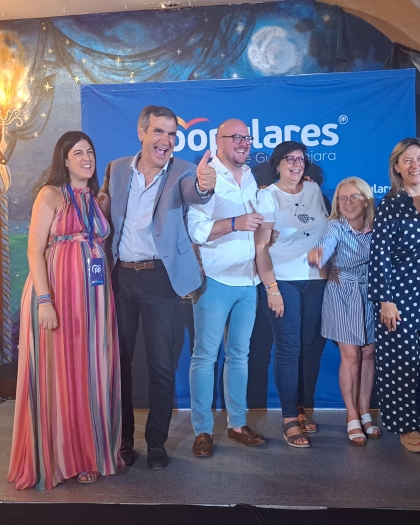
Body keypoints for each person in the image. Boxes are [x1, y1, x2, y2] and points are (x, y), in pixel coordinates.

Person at [100, 105, 216, 470]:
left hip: (161, 279)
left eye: (172, 134)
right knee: (120, 365)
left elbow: (195, 192)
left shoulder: (183, 171)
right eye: (159, 132)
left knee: (162, 366)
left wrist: (205, 184)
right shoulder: (116, 168)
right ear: (142, 133)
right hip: (120, 279)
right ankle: (123, 441)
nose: (166, 140)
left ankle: (156, 444)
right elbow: (100, 211)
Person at [8, 131, 122, 489]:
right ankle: (58, 458)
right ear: (65, 160)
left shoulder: (97, 199)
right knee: (59, 375)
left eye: (90, 152)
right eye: (78, 153)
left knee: (91, 374)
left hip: (94, 300)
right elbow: (33, 250)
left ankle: (90, 455)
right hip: (56, 297)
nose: (87, 158)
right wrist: (45, 301)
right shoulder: (51, 194)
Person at [368, 137, 420, 453]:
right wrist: (385, 300)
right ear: (397, 167)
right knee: (402, 364)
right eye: (407, 160)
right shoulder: (390, 205)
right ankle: (406, 427)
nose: (415, 165)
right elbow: (380, 256)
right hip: (399, 298)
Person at [187, 119, 267, 458]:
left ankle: (237, 424)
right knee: (205, 357)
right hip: (215, 280)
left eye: (247, 137)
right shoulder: (207, 177)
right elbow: (195, 230)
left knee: (239, 356)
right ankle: (203, 431)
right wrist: (235, 223)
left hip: (249, 281)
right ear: (217, 141)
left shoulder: (249, 175)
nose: (243, 142)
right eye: (236, 137)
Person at [254, 141, 328, 448]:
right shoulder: (267, 195)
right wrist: (271, 289)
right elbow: (260, 247)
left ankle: (300, 407)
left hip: (317, 281)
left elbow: (326, 232)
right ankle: (288, 419)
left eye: (300, 159)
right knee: (288, 349)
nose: (296, 164)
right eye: (289, 159)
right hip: (283, 281)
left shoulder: (313, 190)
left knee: (308, 349)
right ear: (277, 165)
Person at [308, 177, 380, 446]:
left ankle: (365, 412)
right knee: (351, 355)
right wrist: (319, 255)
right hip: (342, 292)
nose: (348, 203)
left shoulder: (378, 225)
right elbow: (326, 245)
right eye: (343, 198)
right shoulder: (335, 226)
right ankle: (351, 415)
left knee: (369, 353)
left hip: (371, 293)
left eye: (354, 197)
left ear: (366, 200)